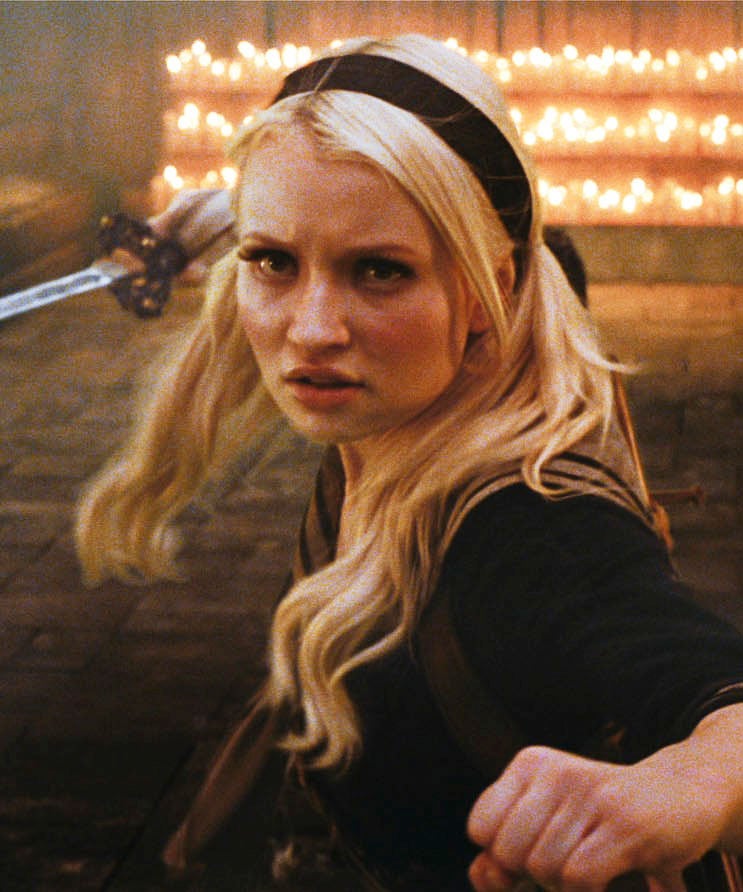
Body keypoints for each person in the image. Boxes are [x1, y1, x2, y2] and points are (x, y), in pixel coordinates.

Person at [75, 33, 743, 892]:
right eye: (273, 260)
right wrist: (241, 214)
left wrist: (693, 781)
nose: (312, 329)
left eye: (379, 272)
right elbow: (537, 251)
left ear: (492, 290)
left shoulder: (532, 534)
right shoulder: (452, 356)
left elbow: (712, 695)